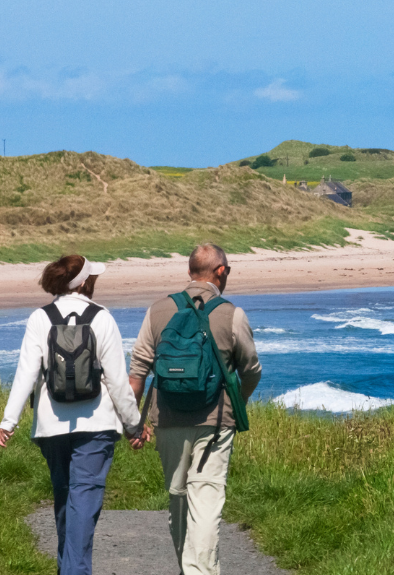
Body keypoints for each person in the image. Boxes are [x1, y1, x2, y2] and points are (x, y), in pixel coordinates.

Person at [0, 255, 143, 575]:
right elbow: (118, 381)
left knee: (66, 504)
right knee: (83, 504)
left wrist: (9, 421)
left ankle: (68, 568)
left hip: (51, 426)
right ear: (85, 283)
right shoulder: (102, 317)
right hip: (97, 424)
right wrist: (134, 425)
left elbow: (26, 373)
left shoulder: (40, 318)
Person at [129, 244, 262, 575]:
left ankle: (189, 567)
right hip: (216, 423)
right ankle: (199, 571)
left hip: (167, 419)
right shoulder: (232, 314)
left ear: (190, 272)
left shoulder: (158, 310)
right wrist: (237, 403)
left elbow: (137, 372)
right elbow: (252, 370)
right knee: (206, 500)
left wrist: (133, 422)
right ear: (220, 272)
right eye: (227, 270)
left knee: (177, 496)